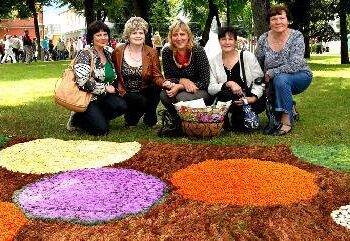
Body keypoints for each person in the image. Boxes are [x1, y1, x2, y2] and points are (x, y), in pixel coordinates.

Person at [255, 5, 312, 135]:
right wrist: (261, 79)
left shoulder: (296, 36)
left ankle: (286, 121)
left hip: (300, 75)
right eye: (274, 19)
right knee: (279, 84)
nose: (278, 21)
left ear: (288, 20)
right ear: (269, 22)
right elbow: (258, 62)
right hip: (275, 81)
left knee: (281, 78)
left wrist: (272, 73)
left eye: (282, 18)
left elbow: (295, 64)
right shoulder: (263, 38)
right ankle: (290, 105)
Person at [66, 20, 127, 135]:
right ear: (91, 38)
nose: (103, 38)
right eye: (98, 35)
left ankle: (97, 117)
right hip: (88, 98)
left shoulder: (109, 54)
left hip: (103, 97)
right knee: (101, 130)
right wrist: (104, 88)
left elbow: (113, 76)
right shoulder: (85, 54)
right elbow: (82, 82)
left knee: (122, 105)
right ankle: (77, 119)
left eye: (105, 35)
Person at [159, 19, 211, 136]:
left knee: (182, 98)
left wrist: (180, 86)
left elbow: (205, 81)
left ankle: (187, 124)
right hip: (181, 87)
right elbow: (168, 77)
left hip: (200, 89)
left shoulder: (198, 51)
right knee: (164, 95)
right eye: (175, 35)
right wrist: (182, 81)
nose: (179, 38)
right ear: (170, 37)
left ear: (188, 36)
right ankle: (177, 122)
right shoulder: (167, 51)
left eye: (182, 34)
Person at [208, 26, 265, 131]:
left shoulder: (247, 56)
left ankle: (238, 118)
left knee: (243, 128)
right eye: (223, 39)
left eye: (230, 39)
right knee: (222, 93)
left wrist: (253, 98)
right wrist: (228, 83)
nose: (227, 42)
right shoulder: (213, 61)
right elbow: (211, 88)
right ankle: (224, 120)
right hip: (227, 99)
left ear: (235, 41)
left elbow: (259, 81)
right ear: (219, 41)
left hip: (248, 98)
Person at [112, 17, 164, 128]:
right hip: (126, 92)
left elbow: (157, 76)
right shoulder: (117, 52)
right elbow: (114, 75)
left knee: (156, 87)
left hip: (144, 89)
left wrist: (164, 83)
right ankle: (134, 113)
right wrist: (121, 91)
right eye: (134, 33)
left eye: (141, 32)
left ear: (145, 34)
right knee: (137, 107)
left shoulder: (152, 52)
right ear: (128, 35)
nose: (138, 35)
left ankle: (150, 118)